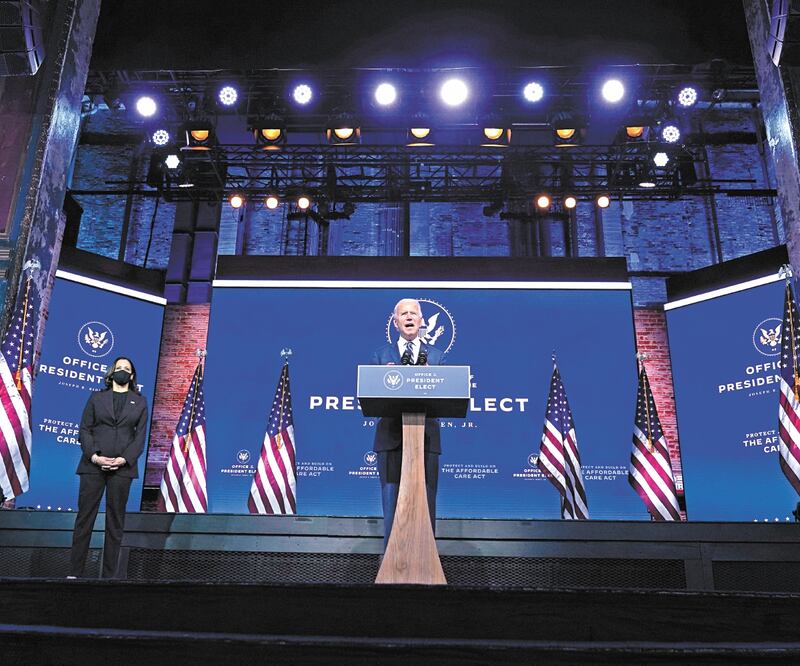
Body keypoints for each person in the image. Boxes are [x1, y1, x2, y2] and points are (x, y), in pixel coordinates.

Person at [371, 298, 443, 549]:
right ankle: (391, 561)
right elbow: (372, 396)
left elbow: (447, 396)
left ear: (422, 321)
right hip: (390, 440)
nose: (409, 317)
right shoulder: (381, 356)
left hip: (426, 441)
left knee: (426, 504)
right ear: (395, 322)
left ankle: (425, 559)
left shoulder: (437, 357)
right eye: (404, 314)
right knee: (392, 505)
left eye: (414, 313)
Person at [68, 357, 148, 578]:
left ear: (132, 375)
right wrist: (95, 457)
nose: (122, 371)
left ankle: (109, 577)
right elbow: (85, 429)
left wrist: (124, 459)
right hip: (92, 466)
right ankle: (74, 574)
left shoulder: (140, 402)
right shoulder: (96, 397)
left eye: (126, 369)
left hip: (123, 469)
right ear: (112, 373)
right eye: (119, 368)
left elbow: (140, 437)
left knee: (115, 522)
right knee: (84, 519)